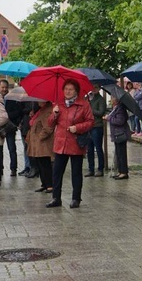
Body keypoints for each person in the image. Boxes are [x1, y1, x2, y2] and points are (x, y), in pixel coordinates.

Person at [46, 79, 95, 209]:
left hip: (75, 143)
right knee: (57, 172)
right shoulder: (58, 104)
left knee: (76, 172)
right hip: (61, 143)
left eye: (70, 89)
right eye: (66, 89)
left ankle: (76, 198)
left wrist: (77, 128)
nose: (67, 91)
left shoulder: (83, 105)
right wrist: (54, 114)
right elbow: (50, 124)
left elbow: (90, 122)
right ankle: (56, 198)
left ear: (76, 91)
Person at [26, 101, 55, 194]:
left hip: (43, 143)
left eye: (40, 100)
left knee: (45, 163)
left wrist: (40, 137)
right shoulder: (41, 110)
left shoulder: (48, 110)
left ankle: (50, 185)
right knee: (40, 163)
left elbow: (48, 127)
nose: (37, 102)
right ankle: (44, 184)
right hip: (38, 142)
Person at [0, 80, 22, 176]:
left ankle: (13, 168)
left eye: (5, 87)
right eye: (2, 87)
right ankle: (0, 168)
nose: (4, 89)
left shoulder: (12, 98)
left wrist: (6, 116)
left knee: (12, 148)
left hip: (10, 127)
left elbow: (18, 112)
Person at [107, 94, 130, 180]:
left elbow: (120, 121)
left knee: (122, 154)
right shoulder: (115, 107)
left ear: (117, 99)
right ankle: (120, 171)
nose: (111, 99)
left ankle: (124, 172)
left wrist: (109, 118)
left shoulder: (120, 108)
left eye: (113, 97)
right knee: (118, 153)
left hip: (121, 134)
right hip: (117, 134)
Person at [85, 86, 106, 178]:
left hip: (97, 126)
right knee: (89, 150)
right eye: (92, 88)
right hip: (88, 126)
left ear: (98, 89)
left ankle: (100, 169)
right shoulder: (87, 98)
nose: (93, 89)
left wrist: (90, 109)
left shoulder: (100, 99)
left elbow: (101, 112)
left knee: (98, 148)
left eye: (95, 88)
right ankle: (91, 169)